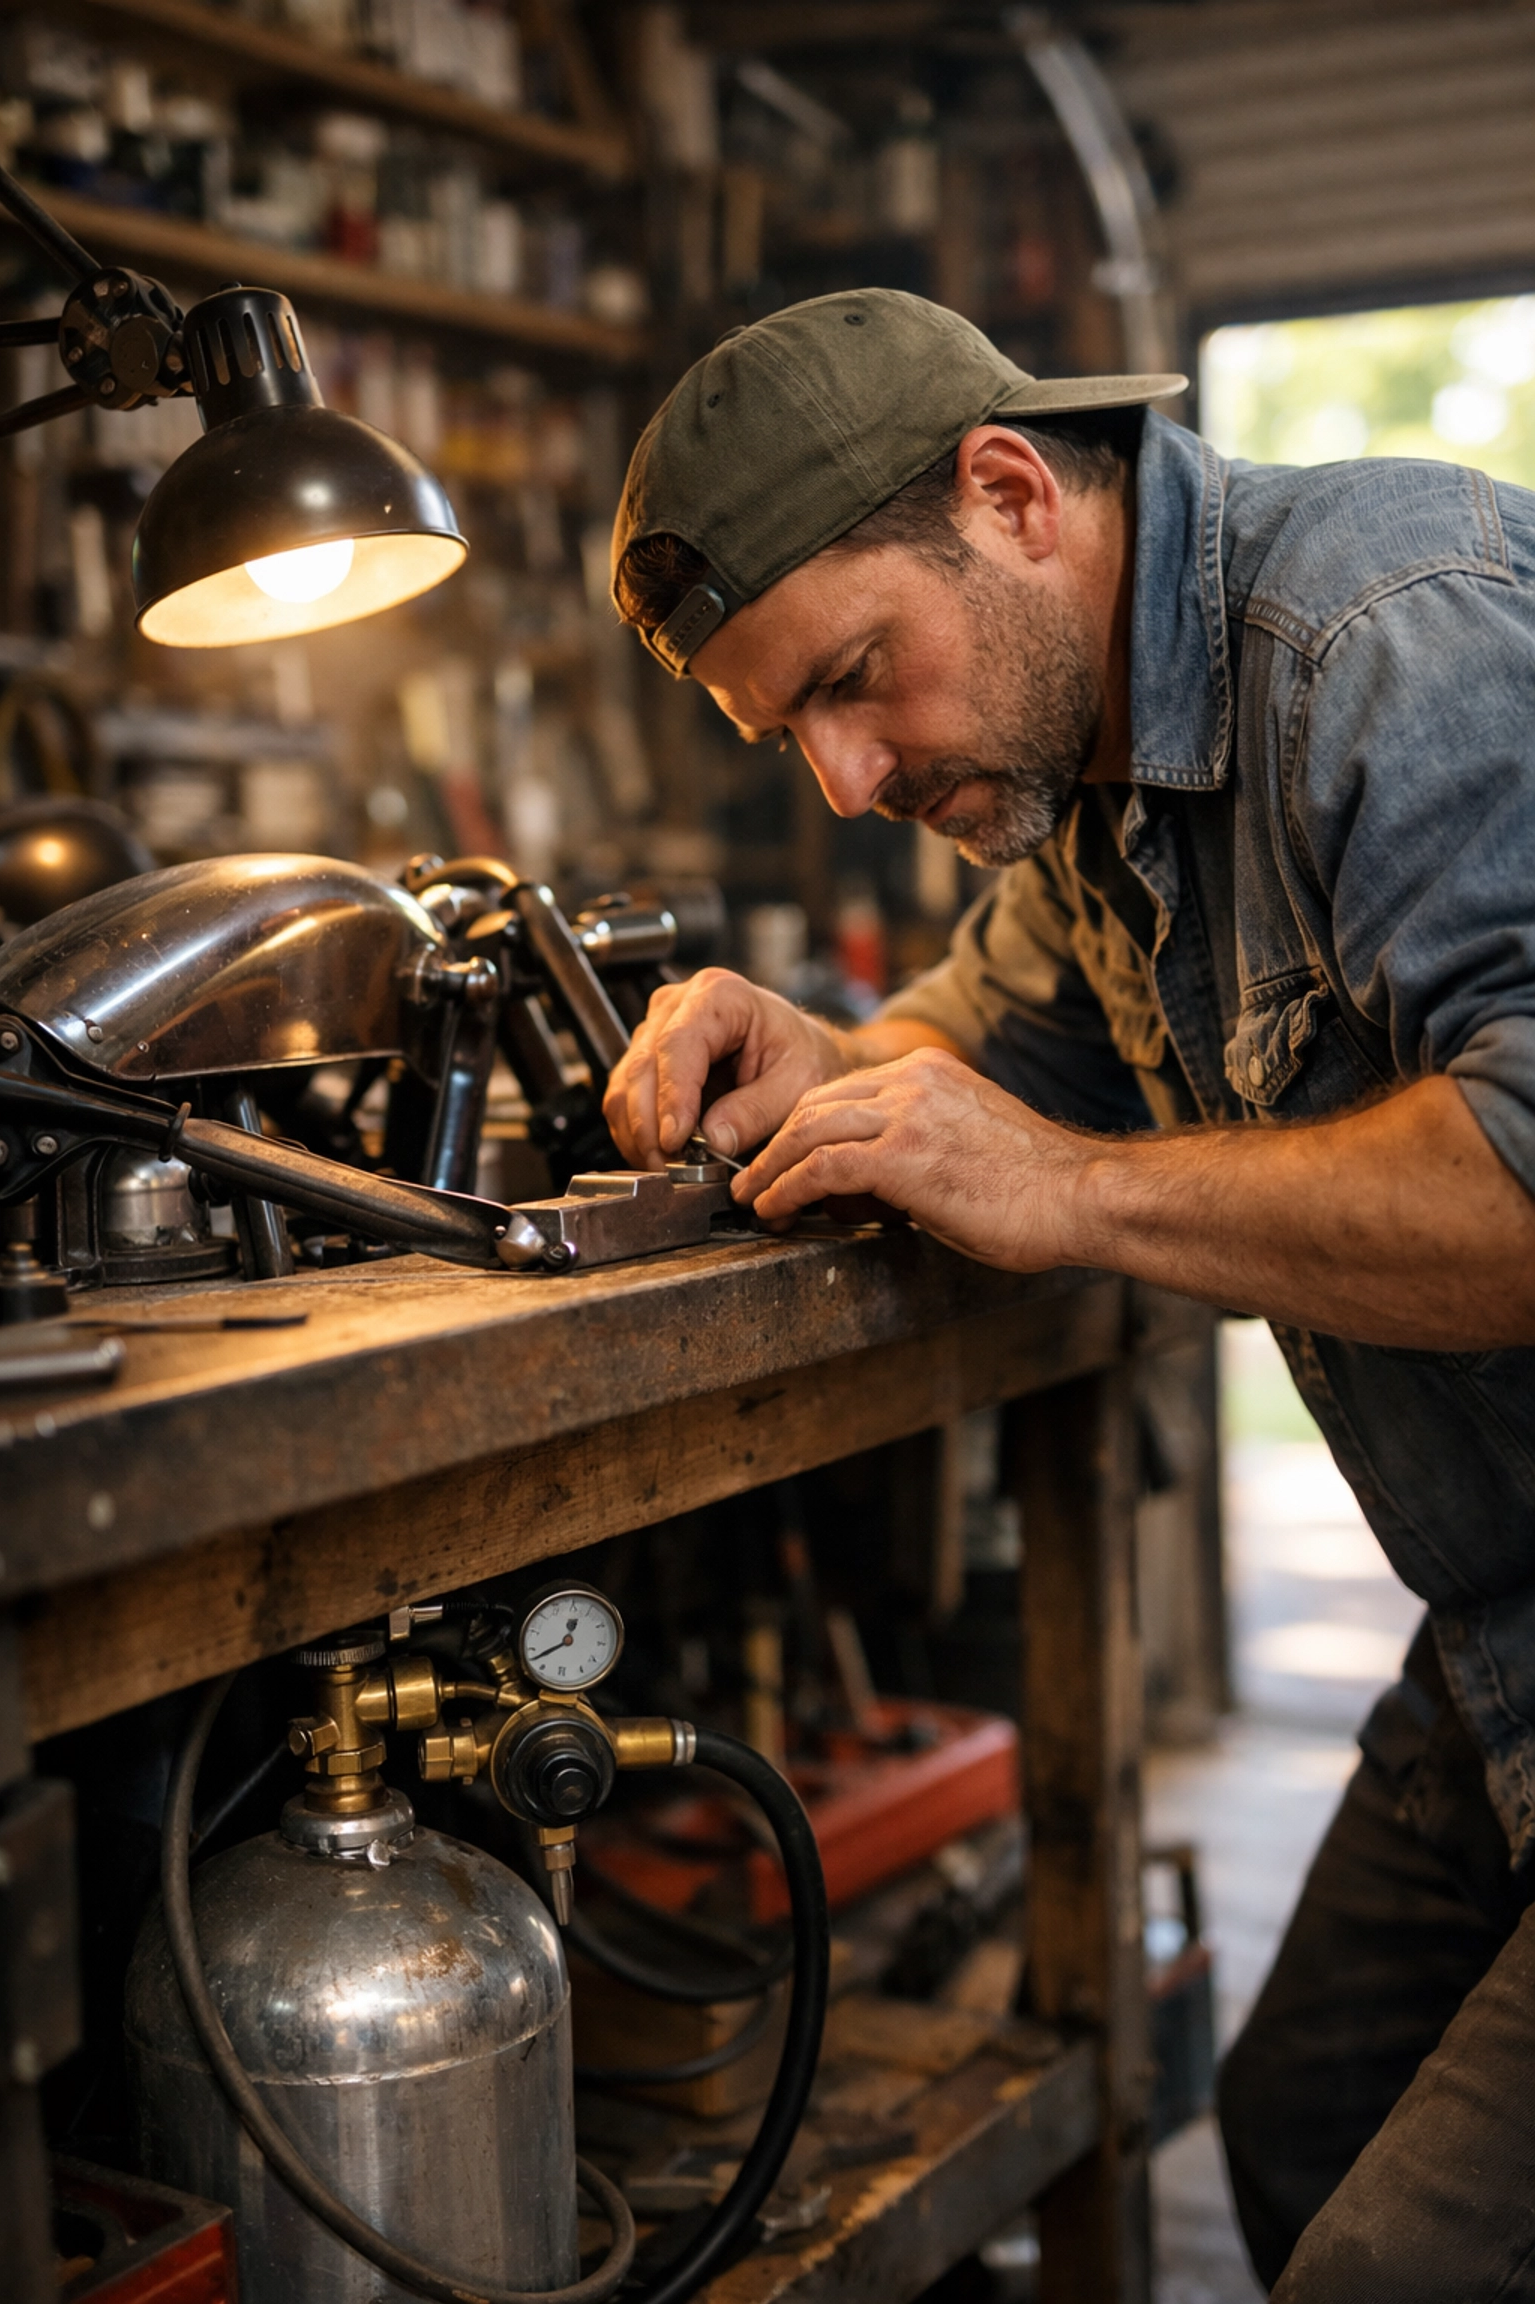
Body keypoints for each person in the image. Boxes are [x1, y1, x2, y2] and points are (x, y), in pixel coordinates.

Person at [601, 289, 1535, 2301]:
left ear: (1014, 494)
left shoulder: (1380, 631)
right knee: (1299, 2129)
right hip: (1499, 1638)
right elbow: (973, 1064)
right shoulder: (1096, 796)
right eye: (794, 735)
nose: (845, 779)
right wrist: (809, 1052)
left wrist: (1067, 1191)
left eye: (860, 678)